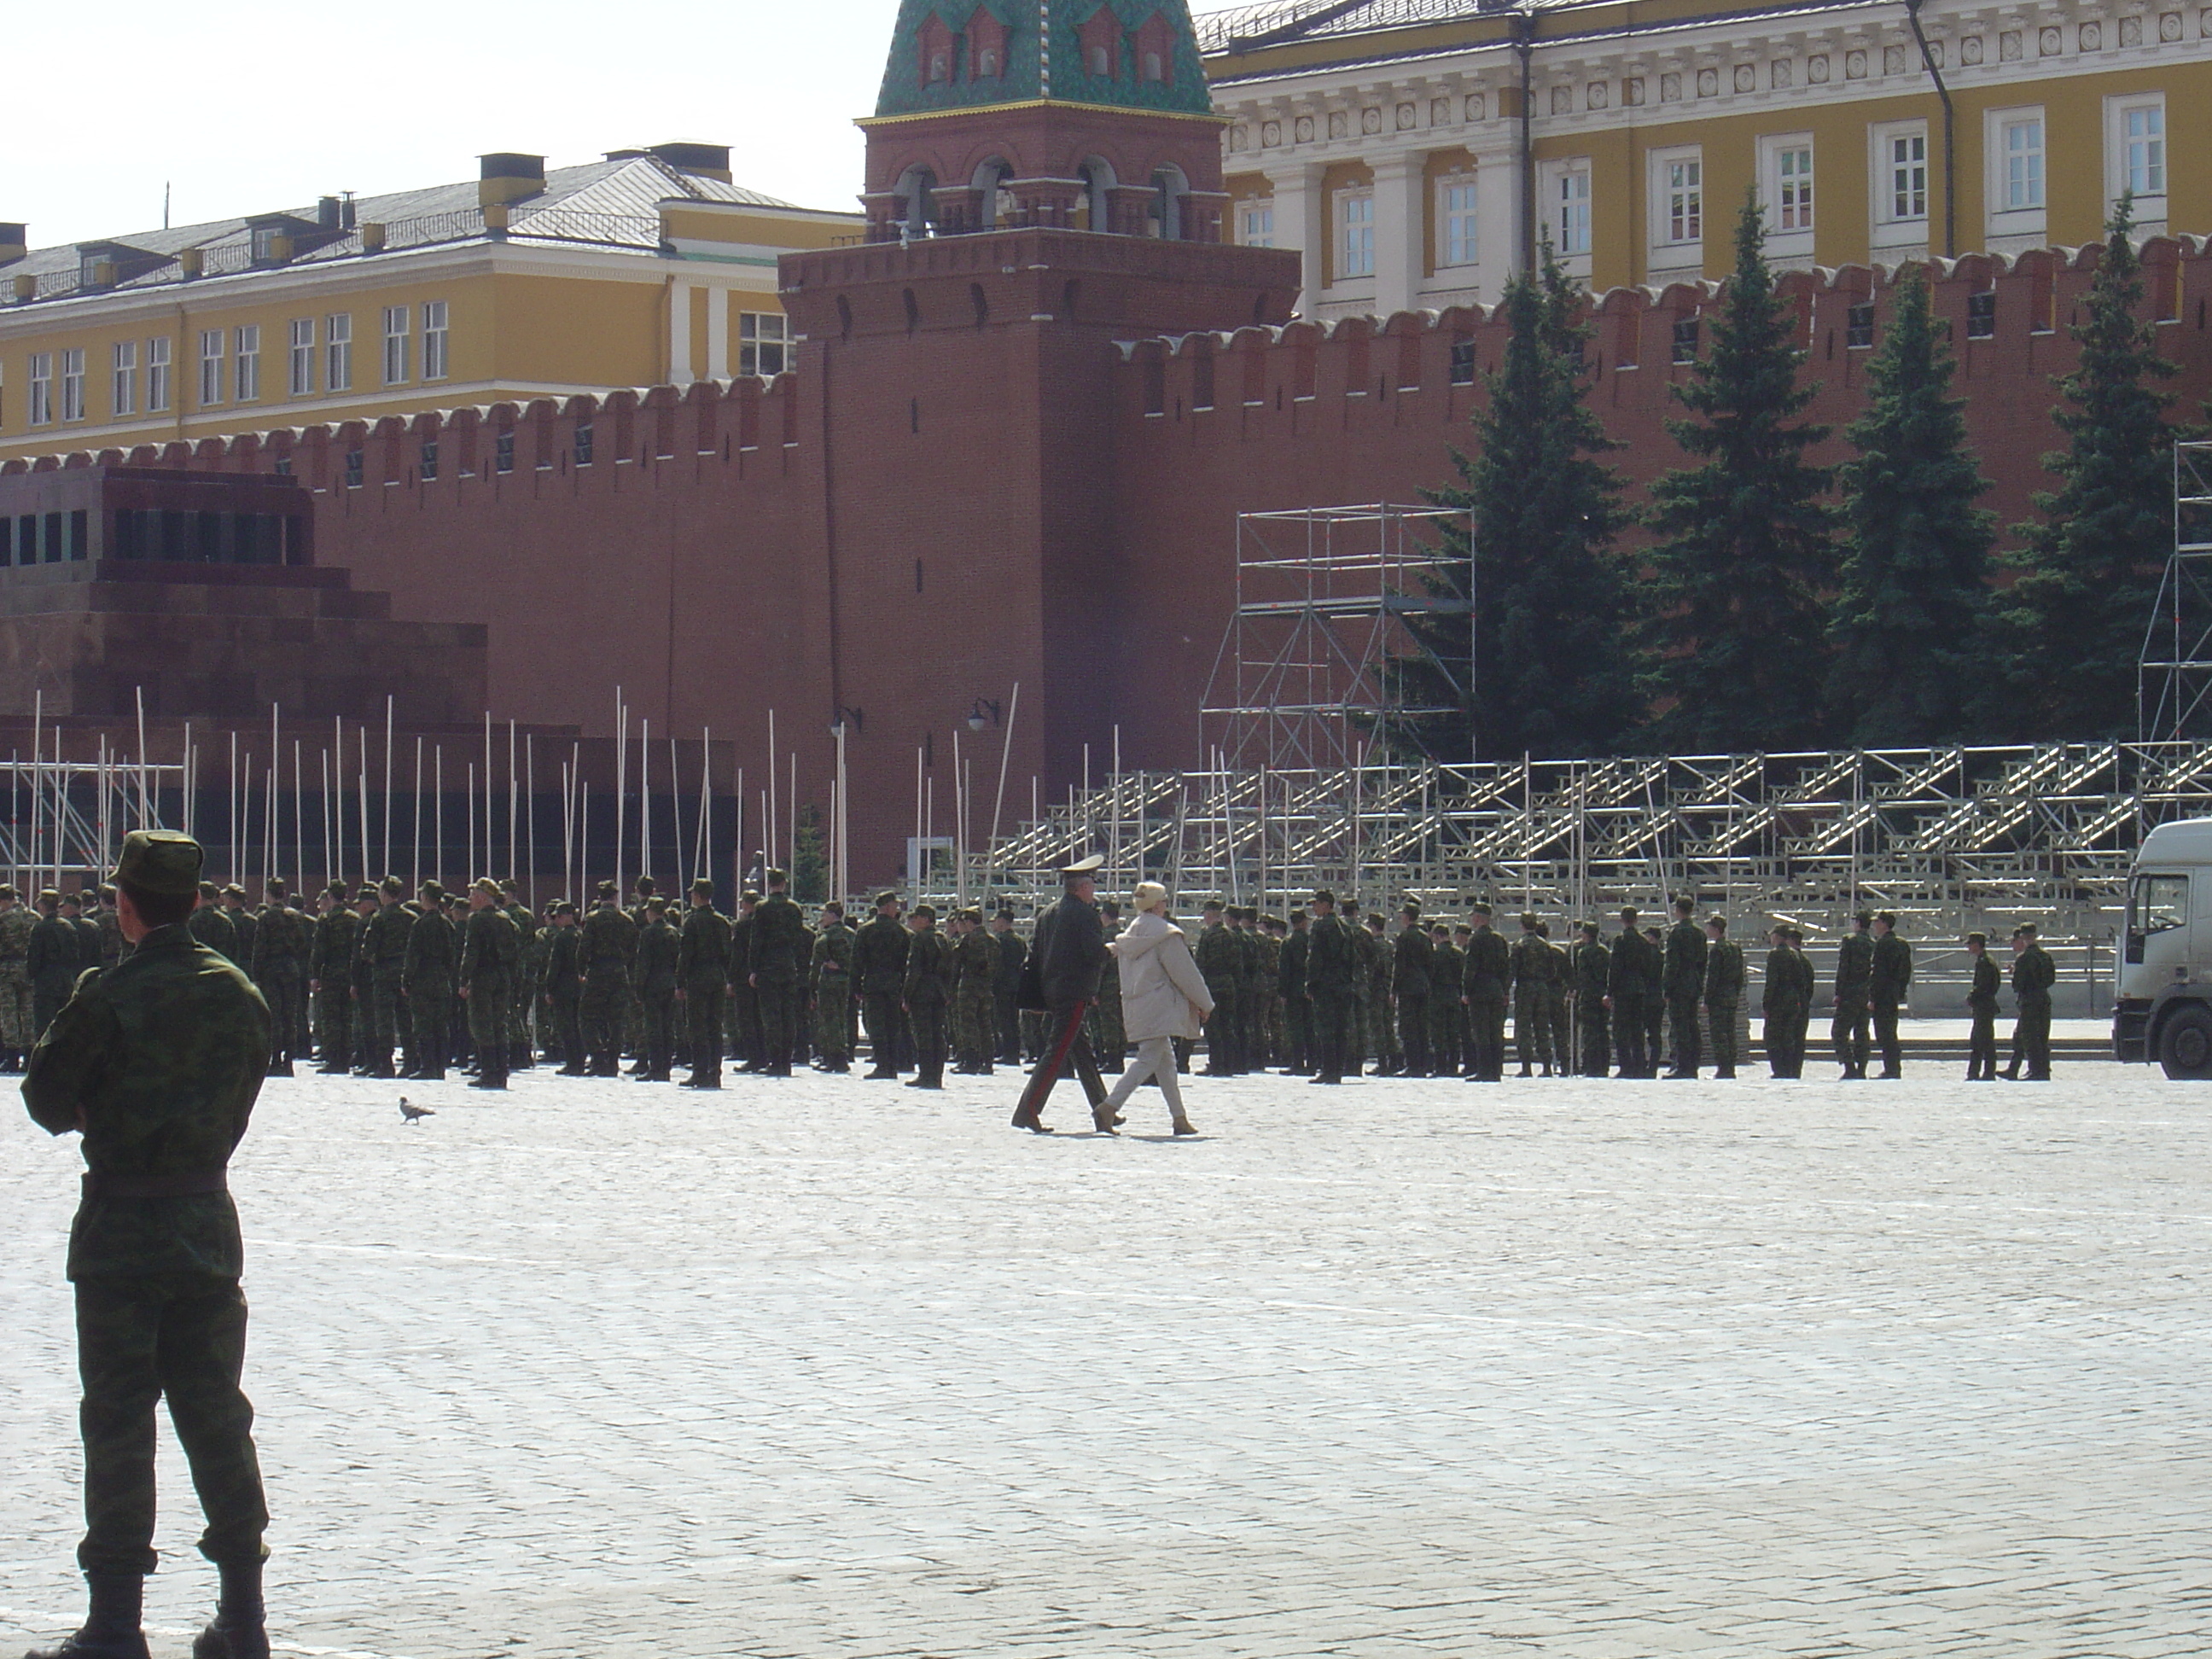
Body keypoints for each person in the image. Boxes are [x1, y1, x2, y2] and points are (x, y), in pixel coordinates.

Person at [21, 830, 274, 1659]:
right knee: (217, 1417)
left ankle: (115, 1623)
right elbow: (241, 1094)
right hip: (205, 1221)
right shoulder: (237, 992)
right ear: (196, 901)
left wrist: (108, 1112)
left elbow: (47, 1097)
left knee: (121, 1422)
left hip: (123, 1231)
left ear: (124, 905)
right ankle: (243, 1618)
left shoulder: (109, 995)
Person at [1097, 882, 1212, 1135]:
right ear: (1158, 903)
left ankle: (1179, 1118)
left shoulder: (1131, 933)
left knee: (1165, 1062)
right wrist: (1205, 1002)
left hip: (1136, 1002)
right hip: (1161, 1005)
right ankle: (1109, 1106)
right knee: (1149, 1058)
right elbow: (1185, 973)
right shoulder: (1165, 934)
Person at [1012, 854, 1110, 1131]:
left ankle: (1104, 1109)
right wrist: (1111, 952)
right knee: (1056, 1053)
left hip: (1052, 990)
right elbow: (1093, 953)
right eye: (1091, 884)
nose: (1093, 890)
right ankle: (1028, 1109)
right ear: (1083, 887)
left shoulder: (1048, 912)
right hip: (1073, 991)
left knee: (1082, 1053)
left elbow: (1035, 953)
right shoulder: (1084, 913)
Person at [458, 878, 520, 1090]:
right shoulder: (506, 919)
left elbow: (471, 953)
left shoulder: (477, 920)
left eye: (473, 894)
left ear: (483, 896)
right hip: (502, 976)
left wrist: (464, 980)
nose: (470, 899)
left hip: (483, 976)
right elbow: (514, 953)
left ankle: (488, 1072)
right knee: (500, 1024)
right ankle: (501, 1072)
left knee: (482, 1025)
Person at [747, 868, 809, 1078]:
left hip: (768, 967)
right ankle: (786, 1060)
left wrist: (753, 968)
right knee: (788, 1015)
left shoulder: (762, 908)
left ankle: (775, 1060)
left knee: (771, 1016)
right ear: (784, 883)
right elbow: (800, 941)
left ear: (769, 884)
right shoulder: (794, 908)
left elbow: (756, 941)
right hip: (789, 966)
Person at [577, 880, 637, 1078]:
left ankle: (598, 1056)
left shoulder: (592, 919)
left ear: (600, 897)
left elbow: (584, 947)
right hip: (619, 971)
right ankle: (613, 1059)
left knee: (588, 1016)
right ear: (615, 897)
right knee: (617, 1019)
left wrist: (581, 970)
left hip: (597, 971)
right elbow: (632, 949)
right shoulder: (626, 920)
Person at [248, 882, 309, 1077]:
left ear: (269, 894)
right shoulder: (295, 917)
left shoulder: (265, 917)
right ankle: (289, 1060)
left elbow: (260, 947)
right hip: (291, 967)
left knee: (273, 1015)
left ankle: (275, 1059)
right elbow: (302, 943)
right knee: (290, 1015)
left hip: (271, 969)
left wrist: (256, 975)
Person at [400, 882, 457, 1081]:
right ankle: (440, 1066)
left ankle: (427, 1066)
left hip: (422, 981)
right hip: (441, 979)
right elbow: (453, 956)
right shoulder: (447, 924)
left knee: (424, 1025)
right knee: (441, 1025)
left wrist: (406, 980)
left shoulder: (421, 924)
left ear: (425, 898)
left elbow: (413, 955)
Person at [1303, 889, 1356, 1086]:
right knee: (1341, 1029)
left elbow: (1315, 958)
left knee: (1326, 1028)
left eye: (1316, 904)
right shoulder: (1345, 926)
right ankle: (1338, 1070)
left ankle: (1328, 1069)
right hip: (1343, 984)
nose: (1314, 908)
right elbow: (1352, 958)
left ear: (1326, 904)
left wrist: (1310, 983)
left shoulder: (1321, 926)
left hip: (1325, 984)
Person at [855, 892, 911, 1079]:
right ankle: (893, 1066)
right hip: (895, 984)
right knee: (893, 1026)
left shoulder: (866, 930)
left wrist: (855, 987)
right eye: (895, 905)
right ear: (886, 906)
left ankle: (882, 1065)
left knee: (876, 1026)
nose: (897, 909)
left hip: (873, 983)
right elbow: (907, 963)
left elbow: (857, 961)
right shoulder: (902, 932)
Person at [901, 905, 953, 1091]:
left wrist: (907, 996)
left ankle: (926, 1074)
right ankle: (936, 1076)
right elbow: (951, 969)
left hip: (922, 991)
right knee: (938, 1035)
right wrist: (947, 992)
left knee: (924, 1035)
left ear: (926, 919)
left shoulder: (920, 939)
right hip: (939, 991)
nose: (913, 921)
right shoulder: (943, 939)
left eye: (916, 917)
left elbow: (914, 970)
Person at [307, 883, 357, 1073]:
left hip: (331, 974)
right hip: (348, 973)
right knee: (346, 1017)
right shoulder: (354, 919)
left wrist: (315, 976)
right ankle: (346, 1057)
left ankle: (334, 1060)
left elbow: (319, 950)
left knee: (331, 1018)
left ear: (329, 896)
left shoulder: (326, 919)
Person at [632, 898, 679, 1081]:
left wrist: (639, 989)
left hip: (652, 986)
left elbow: (643, 963)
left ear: (651, 912)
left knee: (653, 1028)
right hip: (669, 984)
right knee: (668, 1027)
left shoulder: (648, 933)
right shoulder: (673, 932)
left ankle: (656, 1067)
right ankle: (666, 1067)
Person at [1460, 903, 1508, 1082]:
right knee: (1496, 1031)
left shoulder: (1476, 939)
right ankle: (1496, 1070)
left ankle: (1484, 1070)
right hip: (1496, 988)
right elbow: (1505, 967)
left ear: (1479, 918)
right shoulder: (1499, 939)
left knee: (1481, 1032)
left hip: (1480, 989)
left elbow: (1471, 967)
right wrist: (1504, 990)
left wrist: (1466, 990)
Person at [1194, 900, 1240, 1075]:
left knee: (1213, 1027)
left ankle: (1216, 1063)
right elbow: (1237, 964)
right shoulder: (1231, 934)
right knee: (1227, 1026)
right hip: (1228, 984)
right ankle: (1229, 1063)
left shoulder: (1208, 935)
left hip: (1212, 985)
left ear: (1211, 914)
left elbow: (1201, 964)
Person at [1662, 895, 1706, 1079]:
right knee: (1692, 1025)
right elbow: (1703, 962)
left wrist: (1667, 987)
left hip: (1679, 985)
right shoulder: (1699, 933)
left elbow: (1672, 963)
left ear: (1678, 910)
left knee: (1680, 1027)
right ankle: (1693, 1065)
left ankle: (1682, 1066)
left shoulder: (1677, 932)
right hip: (1693, 984)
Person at [2005, 923, 2056, 1080]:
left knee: (2030, 1036)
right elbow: (2050, 979)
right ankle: (2043, 1069)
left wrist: (2016, 975)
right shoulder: (2045, 956)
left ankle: (2036, 1070)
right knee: (2042, 1035)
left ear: (2023, 937)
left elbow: (2018, 984)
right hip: (2043, 998)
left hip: (2029, 1000)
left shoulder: (2024, 958)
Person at [1604, 908, 1651, 1079]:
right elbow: (1648, 968)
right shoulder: (1643, 941)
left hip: (1623, 989)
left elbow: (1615, 968)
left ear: (1622, 920)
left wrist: (1609, 992)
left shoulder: (1621, 940)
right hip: (1639, 988)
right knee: (1637, 1029)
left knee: (1621, 1030)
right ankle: (1640, 1065)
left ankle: (1626, 1066)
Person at [811, 902, 858, 1073]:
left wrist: (812, 987)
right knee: (843, 1020)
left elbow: (817, 962)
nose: (822, 917)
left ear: (832, 914)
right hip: (846, 982)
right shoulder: (852, 934)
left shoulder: (826, 935)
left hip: (828, 983)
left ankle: (833, 1057)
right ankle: (843, 1054)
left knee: (829, 1020)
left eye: (825, 914)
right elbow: (857, 959)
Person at [1868, 911, 1912, 1079]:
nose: (1875, 926)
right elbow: (1906, 971)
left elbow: (1878, 973)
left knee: (1884, 1033)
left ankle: (1891, 1069)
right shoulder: (1902, 944)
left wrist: (1872, 997)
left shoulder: (1883, 944)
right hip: (1894, 994)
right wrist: (1900, 991)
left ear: (1885, 924)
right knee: (1891, 1032)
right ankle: (1894, 1067)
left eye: (1877, 922)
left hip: (1883, 995)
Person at [1509, 912, 1554, 1078]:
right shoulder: (1544, 945)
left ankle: (1526, 1066)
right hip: (1542, 988)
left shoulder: (1519, 945)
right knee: (1542, 1027)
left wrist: (1506, 989)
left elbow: (1512, 970)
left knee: (1524, 1028)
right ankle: (1547, 1065)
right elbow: (1552, 971)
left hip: (1525, 988)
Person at [1393, 902, 1433, 1078]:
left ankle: (1412, 1064)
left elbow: (1400, 966)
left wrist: (1394, 990)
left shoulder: (1404, 937)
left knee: (1408, 1027)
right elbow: (1430, 963)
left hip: (1408, 987)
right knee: (1422, 1027)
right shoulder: (1425, 937)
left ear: (1407, 917)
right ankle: (1423, 1064)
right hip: (1423, 986)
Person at [1832, 911, 1874, 1080]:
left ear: (1857, 923)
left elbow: (1843, 968)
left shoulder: (1849, 941)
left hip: (1849, 993)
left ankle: (1849, 1066)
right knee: (1862, 1032)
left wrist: (1838, 992)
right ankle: (1862, 1067)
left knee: (1839, 1032)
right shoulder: (1873, 943)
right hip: (1865, 993)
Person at [0, 883, 38, 1069]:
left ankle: (12, 1057)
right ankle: (30, 1055)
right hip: (29, 969)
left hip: (6, 970)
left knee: (9, 1014)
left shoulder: (3, 919)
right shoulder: (34, 917)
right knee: (28, 1012)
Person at [1761, 923, 1806, 1079]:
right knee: (1788, 1036)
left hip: (1778, 1002)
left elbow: (1772, 982)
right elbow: (1801, 981)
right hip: (1792, 1001)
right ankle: (1789, 1069)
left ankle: (1779, 1069)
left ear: (1778, 937)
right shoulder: (1795, 954)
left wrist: (1766, 1004)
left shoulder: (1775, 955)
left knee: (1772, 1037)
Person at [1703, 915, 1743, 1079]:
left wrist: (1707, 1000)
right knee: (1730, 1033)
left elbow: (1713, 978)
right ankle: (1731, 1067)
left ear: (1715, 929)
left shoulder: (1717, 950)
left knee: (1719, 1034)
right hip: (1731, 996)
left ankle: (1723, 1068)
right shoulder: (1735, 948)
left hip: (1718, 998)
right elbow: (1739, 975)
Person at [1569, 921, 1610, 1078]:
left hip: (1589, 996)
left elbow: (1583, 977)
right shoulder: (1604, 951)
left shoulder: (1584, 952)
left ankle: (1591, 1066)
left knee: (1590, 1033)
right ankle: (1603, 1065)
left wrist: (1577, 991)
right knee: (1602, 1031)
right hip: (1602, 994)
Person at [990, 911, 1026, 1066]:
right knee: (1013, 1020)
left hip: (1003, 984)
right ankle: (1014, 1053)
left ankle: (1009, 1053)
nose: (994, 924)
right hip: (1016, 983)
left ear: (1002, 921)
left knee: (1005, 1020)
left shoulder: (1001, 940)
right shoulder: (1019, 940)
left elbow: (998, 964)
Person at [1278, 908, 1312, 1075]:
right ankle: (1313, 1062)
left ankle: (1298, 1062)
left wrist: (1282, 992)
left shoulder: (1288, 942)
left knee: (1295, 1028)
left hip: (1293, 990)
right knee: (1310, 1027)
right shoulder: (1311, 940)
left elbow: (1284, 969)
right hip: (1309, 989)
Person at [1965, 930, 2000, 1081]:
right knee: (1979, 1040)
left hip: (1983, 1005)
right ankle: (1977, 1072)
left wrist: (1972, 997)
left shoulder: (1984, 962)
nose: (1969, 948)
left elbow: (1984, 986)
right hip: (1985, 1005)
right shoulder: (1986, 960)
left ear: (1977, 945)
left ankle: (1986, 1072)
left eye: (1970, 944)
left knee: (1983, 1040)